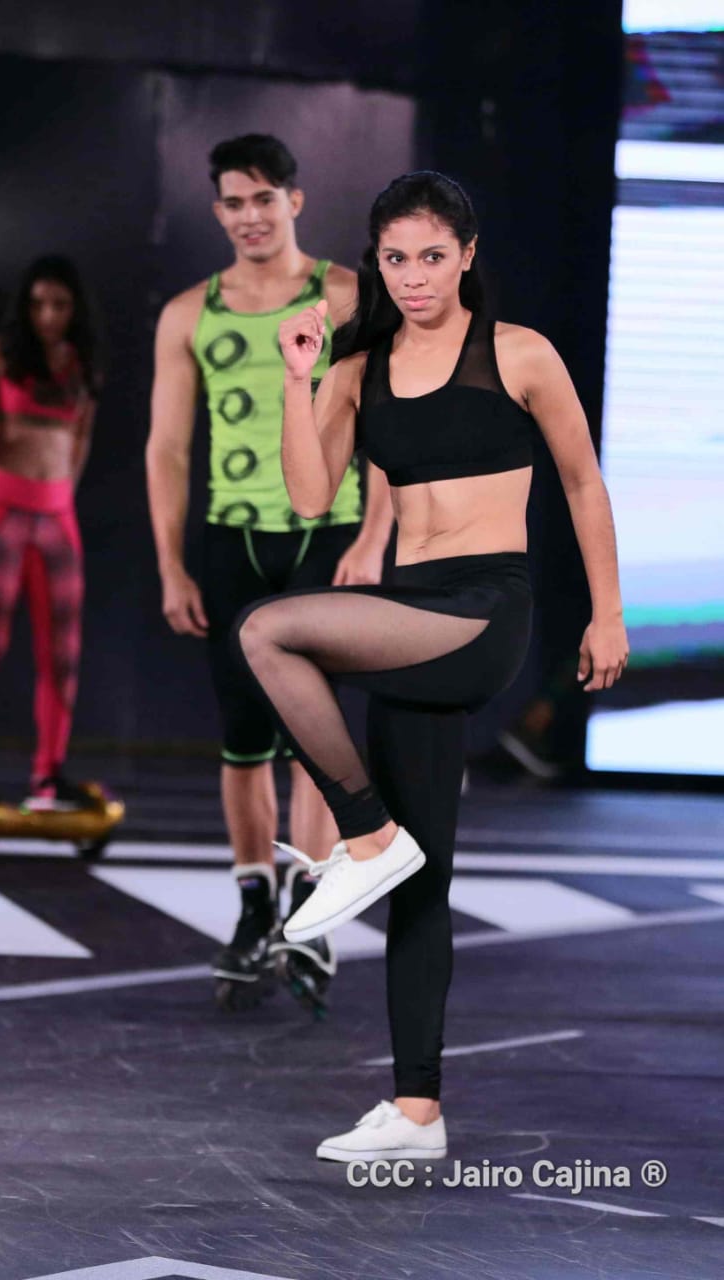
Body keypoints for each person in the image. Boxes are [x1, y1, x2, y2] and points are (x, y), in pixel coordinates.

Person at [234, 170, 628, 1160]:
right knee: (425, 877)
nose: (413, 277)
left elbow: (582, 483)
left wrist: (607, 613)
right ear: (377, 263)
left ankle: (362, 831)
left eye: (432, 257)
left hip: (484, 609)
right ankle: (417, 1110)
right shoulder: (359, 365)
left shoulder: (518, 353)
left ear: (467, 256)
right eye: (395, 259)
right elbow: (309, 492)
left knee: (268, 632)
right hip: (407, 610)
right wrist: (297, 379)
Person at [145, 134, 393, 1010]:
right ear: (217, 211)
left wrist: (373, 539)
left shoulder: (348, 295)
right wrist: (171, 566)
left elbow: (386, 422)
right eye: (234, 202)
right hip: (233, 542)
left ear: (295, 200)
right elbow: (168, 449)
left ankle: (312, 913)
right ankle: (256, 910)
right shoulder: (189, 313)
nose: (250, 216)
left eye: (264, 199)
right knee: (244, 734)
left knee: (314, 735)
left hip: (327, 535)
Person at [0, 255, 101, 808]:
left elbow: (80, 441)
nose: (48, 315)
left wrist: (59, 495)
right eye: (38, 304)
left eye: (59, 304)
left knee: (64, 654)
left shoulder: (81, 366)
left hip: (56, 516)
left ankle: (49, 775)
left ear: (75, 308)